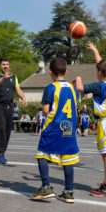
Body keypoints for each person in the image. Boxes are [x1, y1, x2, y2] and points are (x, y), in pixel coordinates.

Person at [74, 42, 106, 197]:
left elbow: (80, 88)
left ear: (100, 73)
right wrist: (95, 50)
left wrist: (78, 77)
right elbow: (101, 65)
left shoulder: (100, 85)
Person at [30, 58, 79, 204]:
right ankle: (68, 192)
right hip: (69, 128)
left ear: (50, 72)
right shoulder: (73, 89)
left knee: (41, 154)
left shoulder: (50, 88)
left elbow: (45, 110)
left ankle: (46, 187)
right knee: (68, 159)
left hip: (54, 127)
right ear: (66, 71)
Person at [0, 57, 27, 164]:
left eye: (7, 64)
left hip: (9, 106)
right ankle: (0, 154)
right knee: (0, 128)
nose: (5, 66)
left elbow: (18, 89)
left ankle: (2, 152)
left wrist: (23, 97)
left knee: (7, 130)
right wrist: (3, 78)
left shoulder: (14, 77)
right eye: (3, 64)